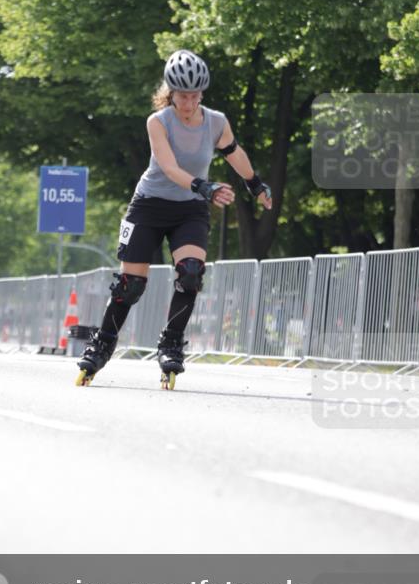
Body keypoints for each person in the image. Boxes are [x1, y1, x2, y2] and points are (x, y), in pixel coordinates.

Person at [76, 49, 272, 387]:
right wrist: (205, 186)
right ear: (171, 91)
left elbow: (234, 152)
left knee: (191, 275)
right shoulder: (159, 122)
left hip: (190, 209)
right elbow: (168, 167)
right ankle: (103, 343)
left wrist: (255, 184)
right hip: (149, 205)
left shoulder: (216, 122)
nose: (189, 101)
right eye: (183, 94)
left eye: (195, 94)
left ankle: (171, 344)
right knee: (130, 285)